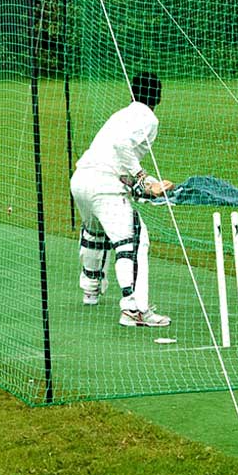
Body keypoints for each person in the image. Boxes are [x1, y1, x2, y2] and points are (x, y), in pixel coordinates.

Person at [69, 72, 174, 328]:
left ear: (132, 93)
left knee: (95, 233)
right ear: (157, 96)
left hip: (81, 179)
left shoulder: (120, 114)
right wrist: (141, 178)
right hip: (104, 185)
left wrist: (146, 185)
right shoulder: (149, 118)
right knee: (135, 241)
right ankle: (134, 309)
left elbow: (114, 157)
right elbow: (121, 147)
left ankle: (91, 290)